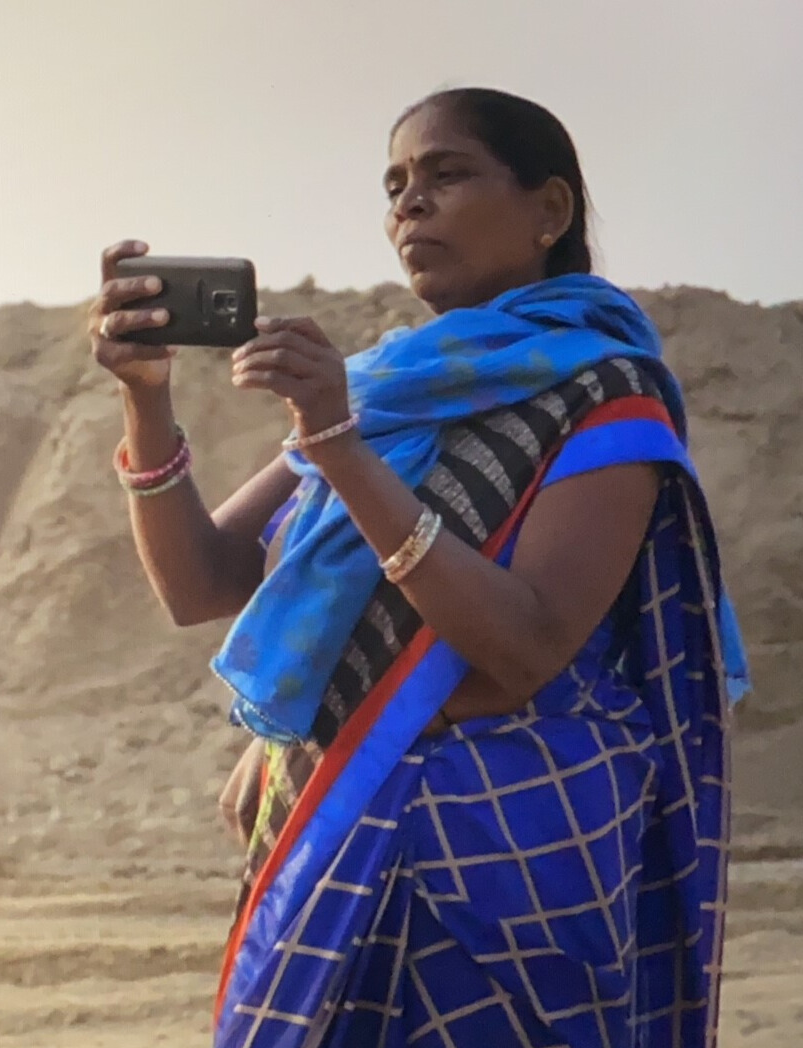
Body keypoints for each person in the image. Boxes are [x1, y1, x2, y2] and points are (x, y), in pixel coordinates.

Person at [90, 87, 750, 1047]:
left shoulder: (608, 400)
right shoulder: (386, 388)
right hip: (338, 811)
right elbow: (199, 584)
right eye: (395, 185)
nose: (409, 204)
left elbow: (522, 646)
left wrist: (338, 444)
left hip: (510, 860)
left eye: (446, 175)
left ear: (548, 212)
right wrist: (144, 401)